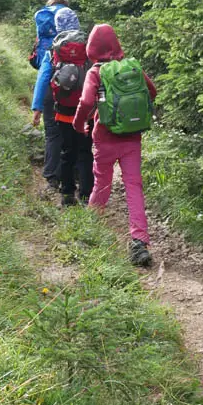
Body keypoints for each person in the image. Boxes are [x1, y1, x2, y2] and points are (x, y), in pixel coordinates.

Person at [72, 23, 157, 267]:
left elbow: (86, 101)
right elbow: (152, 91)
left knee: (102, 183)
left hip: (105, 136)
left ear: (92, 48)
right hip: (132, 137)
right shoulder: (131, 67)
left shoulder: (96, 72)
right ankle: (139, 241)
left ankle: (89, 232)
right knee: (134, 186)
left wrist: (80, 124)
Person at [30, 0, 68, 189]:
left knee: (52, 134)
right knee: (70, 132)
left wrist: (36, 108)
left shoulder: (49, 49)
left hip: (49, 91)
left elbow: (43, 77)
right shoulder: (77, 48)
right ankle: (72, 174)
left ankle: (51, 177)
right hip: (71, 90)